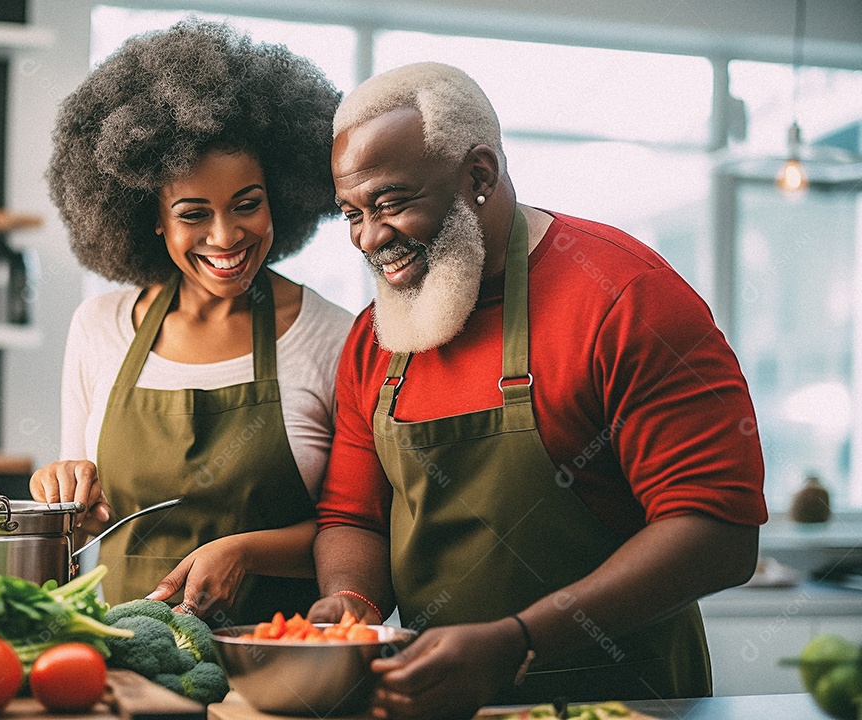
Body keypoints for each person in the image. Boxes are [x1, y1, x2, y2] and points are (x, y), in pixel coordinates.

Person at [308, 62, 767, 717]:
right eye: (351, 213)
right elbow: (354, 517)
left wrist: (516, 644)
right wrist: (351, 600)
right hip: (443, 701)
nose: (370, 238)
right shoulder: (372, 339)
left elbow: (718, 534)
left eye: (392, 202)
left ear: (479, 176)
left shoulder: (624, 298)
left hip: (624, 702)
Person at [31, 19, 352, 624]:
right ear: (151, 217)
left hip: (283, 664)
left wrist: (245, 553)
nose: (225, 237)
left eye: (247, 205)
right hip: (128, 665)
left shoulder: (333, 336)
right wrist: (64, 493)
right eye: (193, 213)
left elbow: (358, 533)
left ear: (279, 195)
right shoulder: (98, 327)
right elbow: (79, 534)